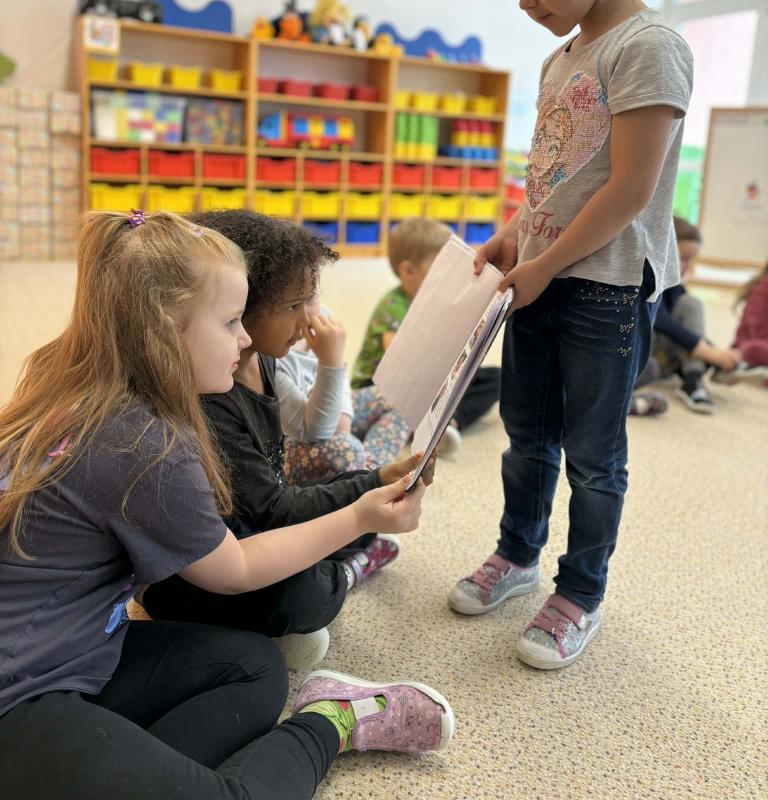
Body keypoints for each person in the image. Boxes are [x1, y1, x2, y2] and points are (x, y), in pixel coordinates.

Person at [0, 209, 454, 800]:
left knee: (256, 667)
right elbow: (234, 569)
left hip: (76, 647)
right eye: (231, 322)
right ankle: (334, 723)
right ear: (163, 331)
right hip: (20, 691)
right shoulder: (143, 442)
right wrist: (360, 515)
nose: (244, 340)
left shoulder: (75, 383)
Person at [447, 0, 694, 669]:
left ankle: (579, 591)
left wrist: (546, 266)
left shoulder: (648, 47)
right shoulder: (562, 59)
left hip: (606, 289)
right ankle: (517, 555)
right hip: (543, 279)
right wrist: (513, 238)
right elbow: (556, 184)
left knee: (593, 456)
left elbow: (629, 191)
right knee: (526, 435)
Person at [142, 210, 430, 671]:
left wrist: (377, 479)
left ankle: (341, 561)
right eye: (294, 305)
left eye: (308, 302)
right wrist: (365, 494)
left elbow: (307, 440)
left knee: (357, 517)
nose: (308, 319)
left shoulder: (265, 361)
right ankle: (347, 574)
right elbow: (272, 513)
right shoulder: (210, 397)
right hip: (199, 570)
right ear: (242, 305)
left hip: (253, 529)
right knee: (306, 592)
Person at [352, 217, 502, 453]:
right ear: (408, 271)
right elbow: (399, 360)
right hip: (382, 385)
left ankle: (449, 423)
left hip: (426, 382)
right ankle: (424, 423)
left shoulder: (439, 303)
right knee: (399, 402)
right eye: (442, 268)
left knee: (495, 378)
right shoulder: (393, 305)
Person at [276, 293, 412, 482]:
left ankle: (367, 474)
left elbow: (340, 378)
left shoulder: (322, 316)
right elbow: (316, 432)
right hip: (290, 443)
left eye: (311, 297)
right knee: (348, 450)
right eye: (292, 305)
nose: (305, 316)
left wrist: (345, 416)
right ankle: (364, 481)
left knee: (401, 398)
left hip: (328, 414)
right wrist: (330, 361)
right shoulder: (270, 353)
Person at [632, 216, 740, 414]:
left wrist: (715, 353)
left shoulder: (675, 287)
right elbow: (663, 322)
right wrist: (710, 354)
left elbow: (687, 330)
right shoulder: (643, 278)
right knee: (651, 366)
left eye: (691, 260)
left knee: (690, 304)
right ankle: (701, 370)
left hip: (666, 360)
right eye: (683, 259)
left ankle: (693, 378)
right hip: (642, 355)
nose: (688, 267)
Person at [713, 260, 768, 385]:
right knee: (754, 349)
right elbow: (757, 331)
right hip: (750, 345)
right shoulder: (764, 288)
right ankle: (740, 368)